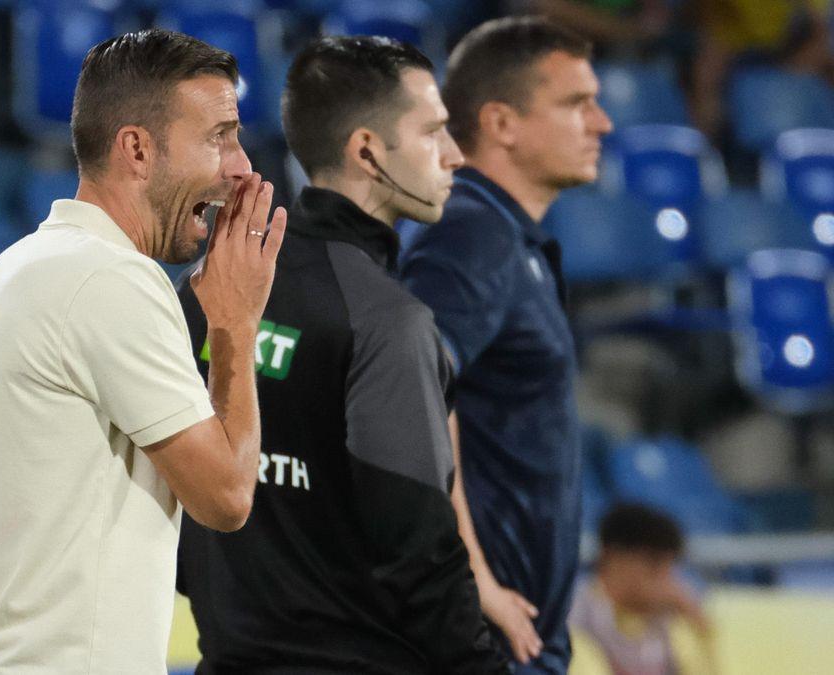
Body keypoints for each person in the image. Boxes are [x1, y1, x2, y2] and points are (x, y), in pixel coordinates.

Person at [0, 29, 284, 673]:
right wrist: (235, 325)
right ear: (137, 149)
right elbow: (227, 495)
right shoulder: (110, 279)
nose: (241, 166)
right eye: (219, 137)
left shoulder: (23, 264)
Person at [175, 35, 505, 674]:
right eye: (434, 132)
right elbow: (421, 550)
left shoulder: (201, 293)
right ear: (367, 152)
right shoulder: (386, 320)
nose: (456, 156)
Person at [399, 16, 613, 673]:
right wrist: (471, 578)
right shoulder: (472, 232)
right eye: (576, 103)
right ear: (501, 123)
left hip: (515, 643)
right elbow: (409, 389)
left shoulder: (507, 238)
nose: (601, 122)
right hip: (486, 644)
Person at [570, 503, 715, 675]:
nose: (666, 581)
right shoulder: (573, 609)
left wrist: (696, 626)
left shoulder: (668, 620)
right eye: (654, 566)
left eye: (670, 568)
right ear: (613, 557)